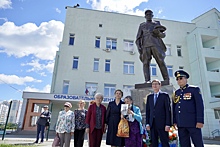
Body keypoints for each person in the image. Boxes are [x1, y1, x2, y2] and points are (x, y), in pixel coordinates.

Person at [135, 9, 169, 83]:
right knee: (145, 63)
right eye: (147, 15)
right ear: (145, 16)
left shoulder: (157, 23)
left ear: (152, 16)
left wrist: (158, 33)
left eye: (150, 15)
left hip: (156, 45)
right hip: (145, 46)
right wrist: (139, 47)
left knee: (161, 61)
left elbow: (163, 34)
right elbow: (138, 37)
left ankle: (166, 79)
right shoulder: (142, 25)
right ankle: (147, 80)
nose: (148, 16)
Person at [173, 70, 204, 147]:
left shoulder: (194, 89)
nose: (179, 80)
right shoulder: (177, 93)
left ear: (186, 79)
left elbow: (199, 106)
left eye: (181, 78)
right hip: (181, 124)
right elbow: (175, 108)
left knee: (198, 143)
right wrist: (175, 121)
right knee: (184, 144)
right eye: (177, 79)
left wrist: (200, 121)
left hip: (193, 123)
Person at [146, 79, 171, 147]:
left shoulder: (164, 95)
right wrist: (147, 123)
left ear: (160, 85)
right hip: (152, 123)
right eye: (153, 84)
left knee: (164, 142)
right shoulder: (149, 97)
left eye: (156, 84)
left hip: (162, 124)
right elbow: (148, 111)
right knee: (153, 143)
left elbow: (168, 110)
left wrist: (168, 124)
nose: (155, 85)